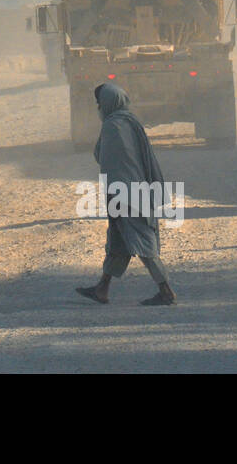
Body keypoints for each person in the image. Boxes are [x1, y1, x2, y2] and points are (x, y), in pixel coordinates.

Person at [76, 82, 176, 306]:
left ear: (108, 103)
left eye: (100, 103)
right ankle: (102, 289)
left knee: (143, 243)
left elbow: (107, 160)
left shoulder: (113, 126)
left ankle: (166, 290)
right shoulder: (130, 122)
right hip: (134, 190)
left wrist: (116, 196)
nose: (99, 108)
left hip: (126, 194)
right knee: (118, 242)